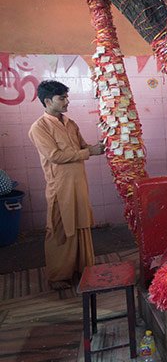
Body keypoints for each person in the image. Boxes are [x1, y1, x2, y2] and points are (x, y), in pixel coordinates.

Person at [28, 80, 105, 290]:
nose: (66, 101)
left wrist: (104, 144)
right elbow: (55, 156)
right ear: (47, 101)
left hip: (78, 183)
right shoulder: (39, 127)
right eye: (62, 98)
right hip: (60, 187)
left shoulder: (70, 123)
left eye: (66, 97)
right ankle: (58, 275)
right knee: (60, 229)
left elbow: (83, 146)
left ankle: (83, 268)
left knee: (81, 225)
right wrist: (89, 152)